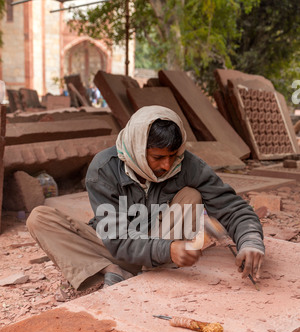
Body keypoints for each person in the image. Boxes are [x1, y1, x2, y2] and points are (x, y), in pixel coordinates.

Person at [26, 106, 264, 290]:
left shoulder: (187, 164)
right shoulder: (104, 169)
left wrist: (250, 240)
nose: (168, 164)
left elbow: (232, 207)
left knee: (191, 195)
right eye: (158, 157)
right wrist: (168, 250)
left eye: (173, 155)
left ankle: (140, 270)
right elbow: (116, 240)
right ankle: (114, 269)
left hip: (164, 244)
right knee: (40, 219)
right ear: (138, 148)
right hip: (118, 246)